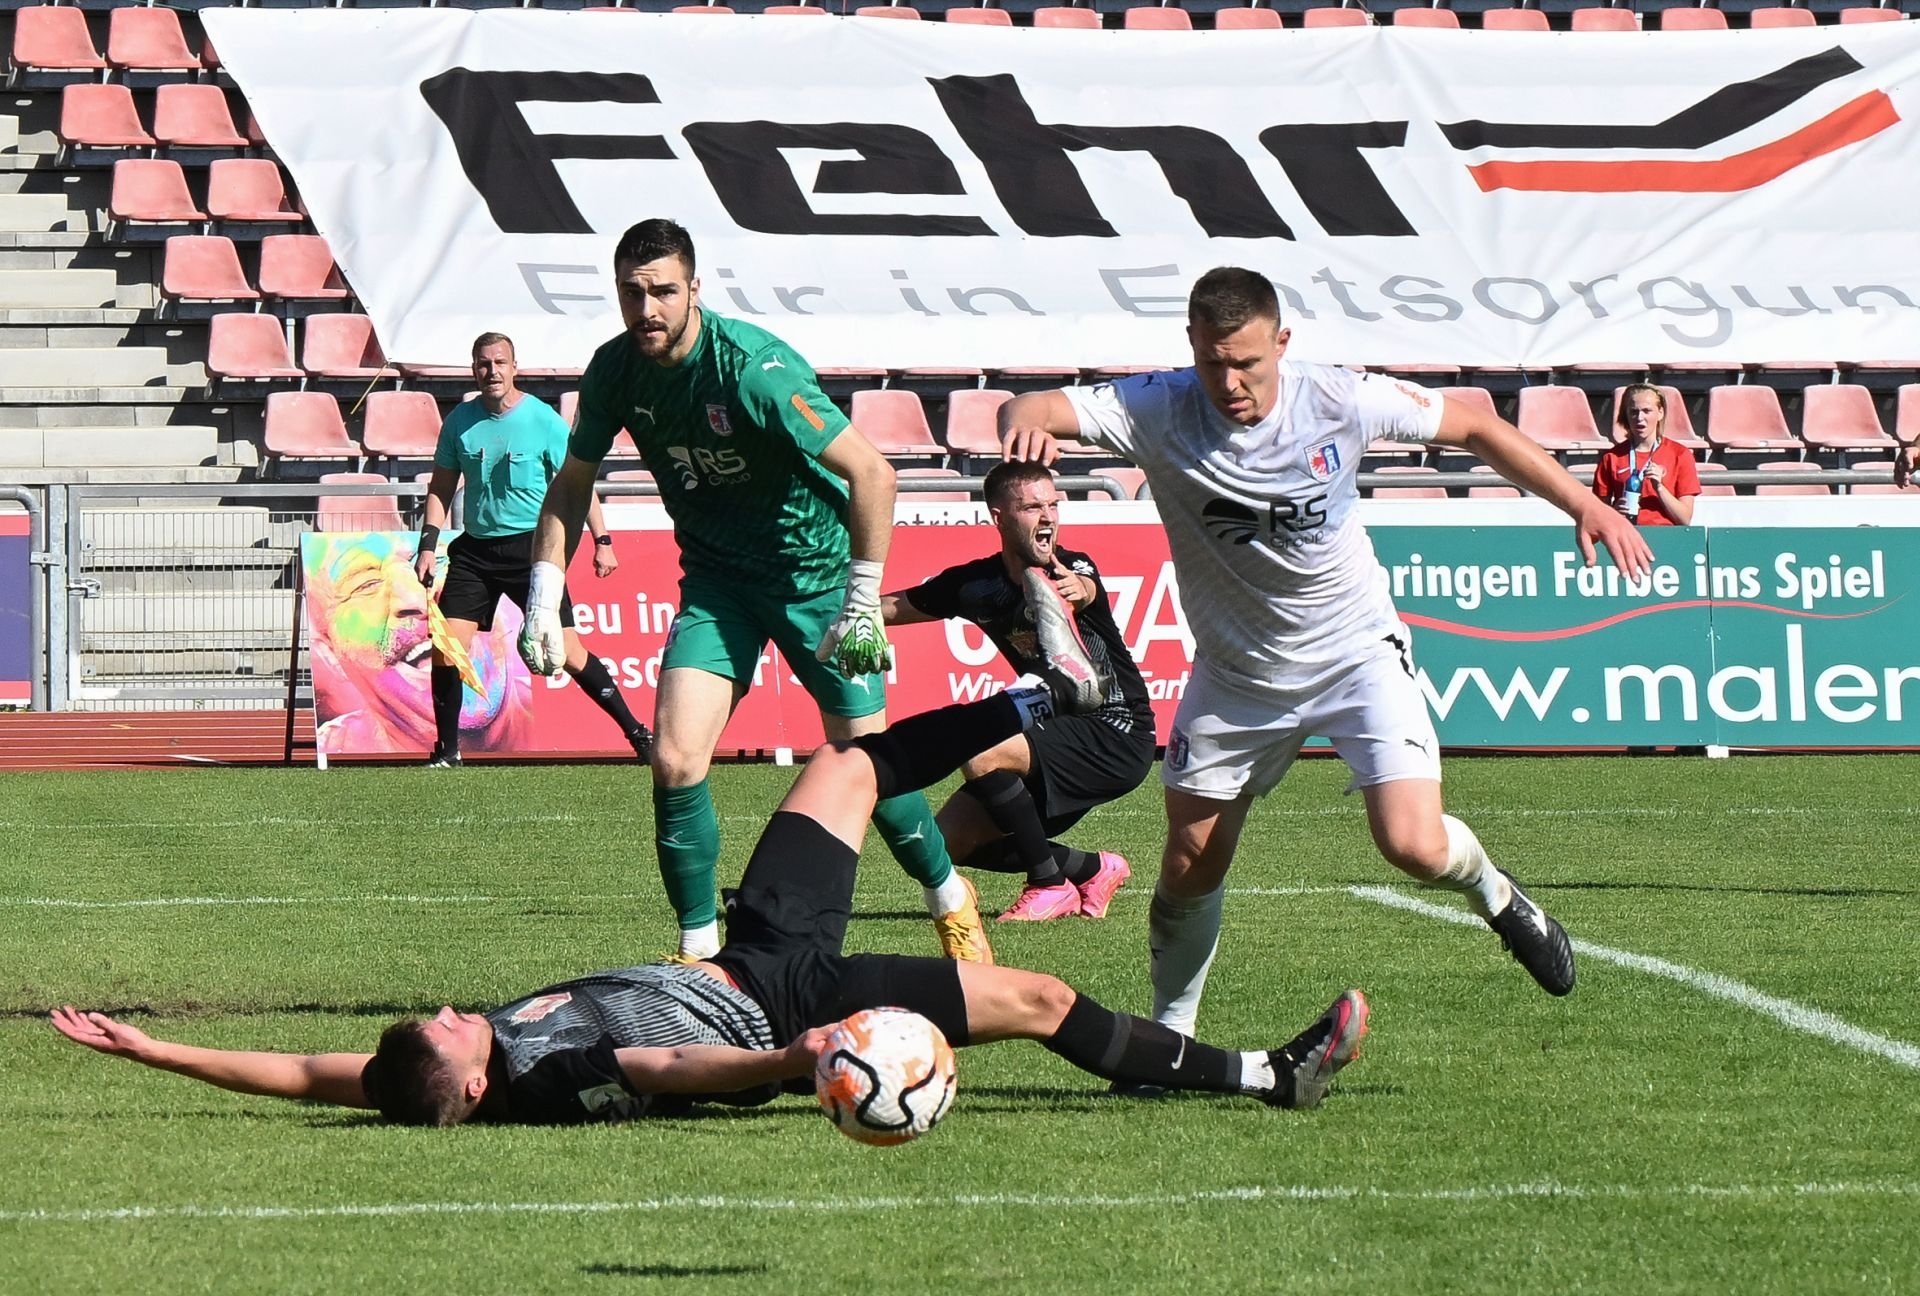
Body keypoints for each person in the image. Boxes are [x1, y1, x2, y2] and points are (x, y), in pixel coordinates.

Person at [49, 663, 1369, 1126]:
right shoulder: (554, 1071)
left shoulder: (438, 1070)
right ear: (469, 1087)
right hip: (787, 996)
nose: (454, 1007)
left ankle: (1031, 702)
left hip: (754, 948)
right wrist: (796, 1058)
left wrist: (152, 1044)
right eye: (446, 1029)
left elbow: (303, 1075)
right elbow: (668, 1065)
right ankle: (1262, 1077)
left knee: (843, 764)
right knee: (1035, 996)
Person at [999, 266, 1656, 1045]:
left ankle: (1499, 895)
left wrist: (1583, 502)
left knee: (1412, 843)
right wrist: (1024, 423)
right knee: (1189, 865)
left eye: (1247, 362)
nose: (1230, 381)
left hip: (1356, 655)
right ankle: (1169, 1042)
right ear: (1191, 348)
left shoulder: (1340, 397)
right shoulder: (1158, 404)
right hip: (1238, 676)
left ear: (1283, 343)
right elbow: (1029, 404)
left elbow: (1477, 428)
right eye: (1213, 361)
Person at [521, 218, 987, 966]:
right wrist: (544, 592)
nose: (648, 310)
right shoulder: (613, 371)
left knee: (865, 762)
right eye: (632, 293)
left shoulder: (753, 368)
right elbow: (572, 484)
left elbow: (874, 473)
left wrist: (863, 597)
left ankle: (948, 896)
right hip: (718, 583)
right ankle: (701, 958)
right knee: (674, 760)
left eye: (664, 292)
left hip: (815, 580)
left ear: (695, 289)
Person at [881, 460, 1153, 922]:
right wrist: (840, 609)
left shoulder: (1072, 565)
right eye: (1032, 506)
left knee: (982, 748)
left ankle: (1047, 886)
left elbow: (1083, 587)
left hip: (1115, 729)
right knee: (944, 842)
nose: (1048, 515)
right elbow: (892, 607)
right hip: (1052, 733)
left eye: (1052, 504)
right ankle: (1092, 869)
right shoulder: (974, 584)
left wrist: (1071, 590)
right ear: (999, 517)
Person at [414, 331, 652, 768]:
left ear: (514, 367)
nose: (492, 371)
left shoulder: (543, 420)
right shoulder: (459, 422)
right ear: (473, 369)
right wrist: (427, 545)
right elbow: (441, 487)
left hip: (535, 550)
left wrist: (603, 541)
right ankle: (447, 752)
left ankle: (638, 734)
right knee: (447, 648)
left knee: (569, 653)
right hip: (476, 552)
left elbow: (579, 485)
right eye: (484, 364)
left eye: (500, 362)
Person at [305, 530, 530, 757]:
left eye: (440, 560)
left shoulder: (558, 716)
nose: (417, 599)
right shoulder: (336, 746)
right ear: (329, 653)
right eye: (366, 584)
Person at [1592, 384, 1700, 526]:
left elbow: (1685, 519)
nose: (1639, 418)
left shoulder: (1680, 454)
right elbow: (1597, 516)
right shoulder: (1611, 457)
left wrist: (1660, 488)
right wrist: (1613, 513)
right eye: (1634, 412)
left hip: (1667, 537)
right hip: (1626, 536)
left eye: (1646, 411)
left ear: (1660, 413)